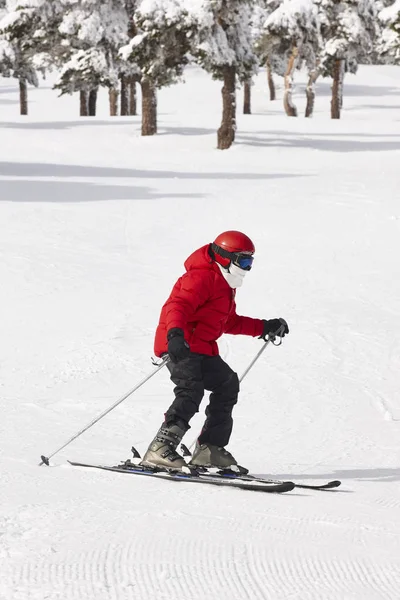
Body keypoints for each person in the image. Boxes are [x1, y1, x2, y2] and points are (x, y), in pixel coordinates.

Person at [141, 230, 289, 471]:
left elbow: (228, 322)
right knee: (191, 390)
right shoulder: (200, 278)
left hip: (203, 348)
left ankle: (209, 449)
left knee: (227, 383)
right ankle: (160, 447)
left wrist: (264, 326)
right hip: (182, 345)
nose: (247, 267)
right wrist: (175, 335)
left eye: (250, 261)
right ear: (224, 257)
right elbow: (177, 306)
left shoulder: (224, 285)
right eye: (243, 260)